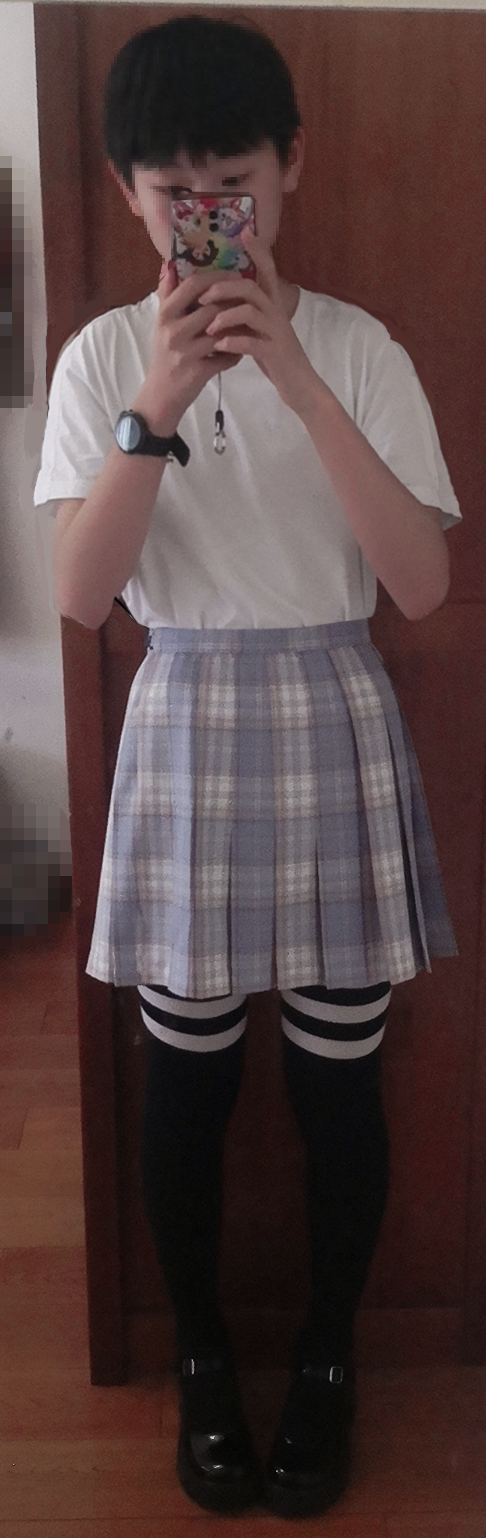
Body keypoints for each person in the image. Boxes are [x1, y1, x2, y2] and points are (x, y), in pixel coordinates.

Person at [33, 13, 462, 1521]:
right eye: (173, 188)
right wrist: (155, 405)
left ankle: (329, 1359)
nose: (204, 210)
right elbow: (82, 596)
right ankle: (205, 1356)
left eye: (233, 181)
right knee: (188, 1074)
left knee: (339, 1076)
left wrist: (296, 378)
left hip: (334, 708)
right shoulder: (99, 358)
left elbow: (420, 585)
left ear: (290, 169)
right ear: (127, 190)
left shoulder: (358, 345)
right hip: (184, 719)